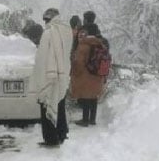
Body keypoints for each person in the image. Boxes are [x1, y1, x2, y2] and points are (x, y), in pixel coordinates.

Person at [32, 8, 73, 147]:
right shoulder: (66, 32)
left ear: (49, 19)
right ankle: (61, 133)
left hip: (50, 76)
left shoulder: (49, 33)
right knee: (60, 104)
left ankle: (51, 139)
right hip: (62, 75)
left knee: (47, 105)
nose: (45, 23)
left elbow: (42, 58)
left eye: (45, 20)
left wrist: (39, 75)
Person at [70, 23, 106, 126]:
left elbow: (79, 63)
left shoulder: (83, 45)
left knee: (85, 97)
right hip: (96, 75)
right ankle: (92, 119)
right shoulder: (99, 43)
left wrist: (74, 72)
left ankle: (85, 120)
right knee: (93, 97)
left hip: (85, 75)